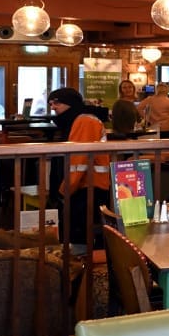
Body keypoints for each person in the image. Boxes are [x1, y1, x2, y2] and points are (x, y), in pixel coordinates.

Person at [48, 86, 111, 250]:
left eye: (56, 103)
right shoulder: (77, 120)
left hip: (87, 189)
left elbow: (78, 162)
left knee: (80, 237)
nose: (52, 107)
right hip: (83, 188)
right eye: (50, 103)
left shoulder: (84, 121)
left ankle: (82, 269)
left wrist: (64, 191)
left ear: (70, 103)